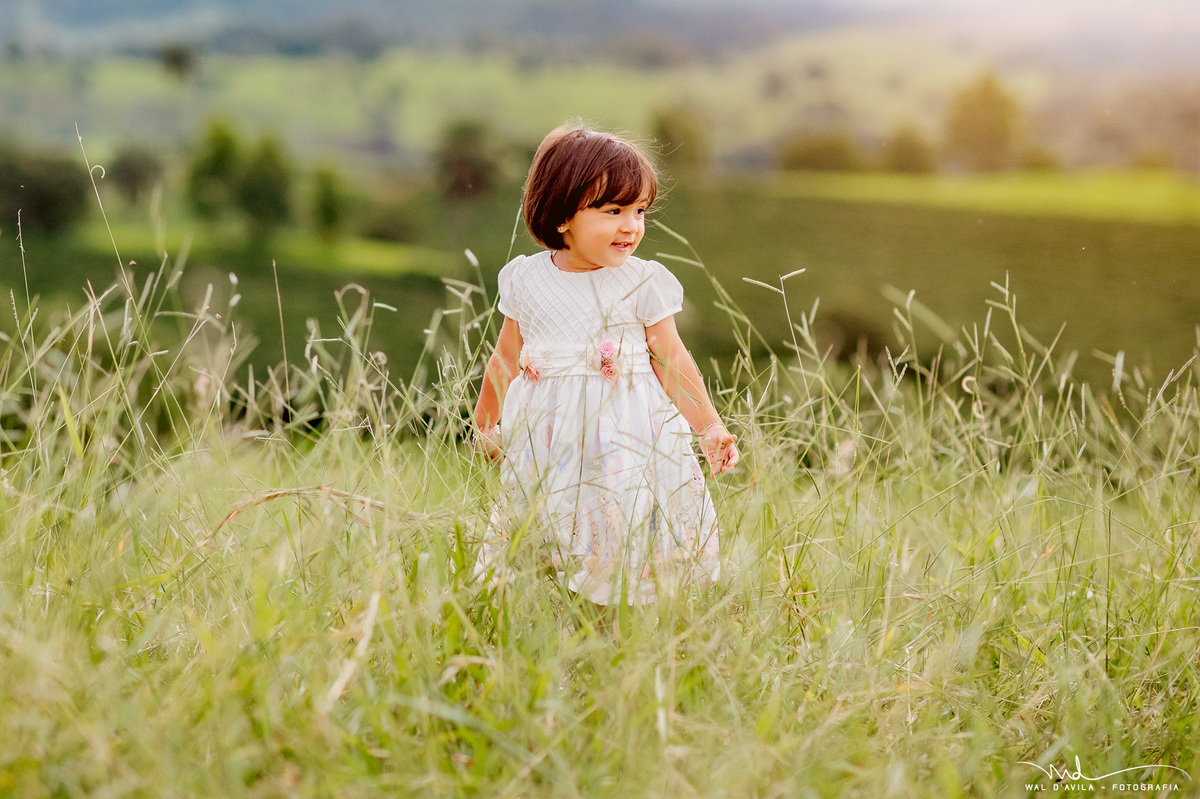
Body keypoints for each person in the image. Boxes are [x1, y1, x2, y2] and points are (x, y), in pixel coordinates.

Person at [472, 123, 739, 606]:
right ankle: (549, 618)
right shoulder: (525, 279)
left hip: (628, 441)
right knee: (545, 533)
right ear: (561, 216)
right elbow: (505, 356)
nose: (631, 226)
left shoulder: (642, 282)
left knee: (622, 534)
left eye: (639, 211)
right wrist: (486, 424)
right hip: (550, 440)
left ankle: (618, 628)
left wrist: (709, 427)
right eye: (612, 211)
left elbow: (671, 357)